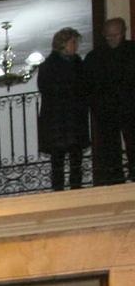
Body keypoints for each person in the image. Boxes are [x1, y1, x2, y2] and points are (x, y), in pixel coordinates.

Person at [39, 28, 91, 193]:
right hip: (57, 119)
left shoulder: (78, 63)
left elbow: (85, 87)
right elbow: (46, 88)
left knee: (76, 156)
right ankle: (58, 189)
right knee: (58, 158)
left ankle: (76, 186)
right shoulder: (49, 66)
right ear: (62, 44)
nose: (75, 46)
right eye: (73, 42)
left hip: (74, 117)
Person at [88, 18, 135, 185]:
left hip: (131, 108)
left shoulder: (132, 51)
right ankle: (115, 179)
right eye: (108, 36)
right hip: (107, 111)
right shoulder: (95, 57)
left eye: (115, 35)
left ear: (123, 32)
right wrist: (97, 106)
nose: (111, 39)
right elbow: (89, 86)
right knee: (110, 147)